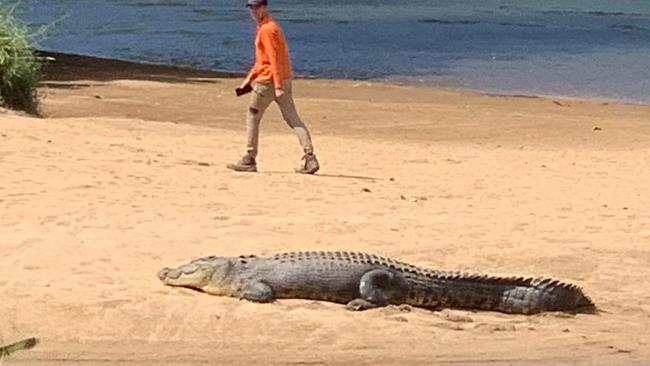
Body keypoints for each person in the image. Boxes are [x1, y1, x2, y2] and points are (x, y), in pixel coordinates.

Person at [227, 0, 320, 174]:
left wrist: (277, 85)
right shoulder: (270, 26)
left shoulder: (267, 30)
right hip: (282, 79)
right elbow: (262, 61)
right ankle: (310, 157)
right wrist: (248, 81)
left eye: (256, 7)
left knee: (252, 116)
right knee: (293, 118)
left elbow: (273, 59)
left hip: (269, 82)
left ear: (264, 7)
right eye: (251, 7)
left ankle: (249, 158)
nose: (253, 11)